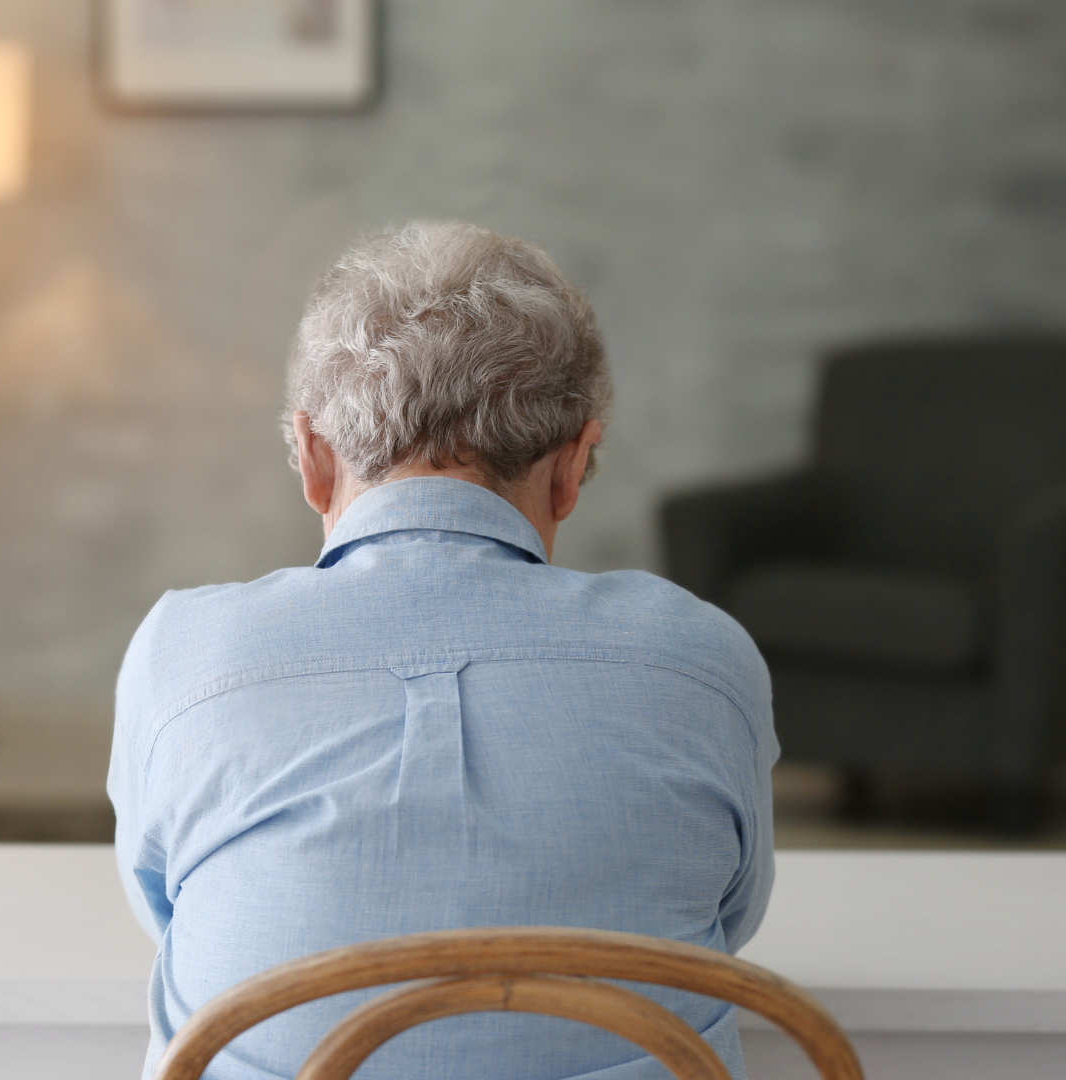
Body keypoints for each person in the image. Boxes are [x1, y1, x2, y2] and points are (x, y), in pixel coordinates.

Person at [109, 222, 777, 1080]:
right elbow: (729, 918)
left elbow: (169, 909)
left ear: (312, 460)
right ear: (574, 469)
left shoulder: (183, 650)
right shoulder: (704, 656)